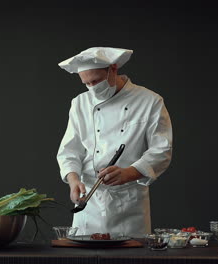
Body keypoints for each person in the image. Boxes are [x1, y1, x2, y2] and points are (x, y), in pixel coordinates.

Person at [56, 47, 173, 237]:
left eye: (96, 81)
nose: (92, 87)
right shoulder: (80, 103)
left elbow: (162, 150)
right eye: (86, 83)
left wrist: (130, 172)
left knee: (129, 257)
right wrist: (73, 179)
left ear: (113, 69)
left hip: (128, 202)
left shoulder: (149, 101)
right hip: (89, 202)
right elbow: (69, 150)